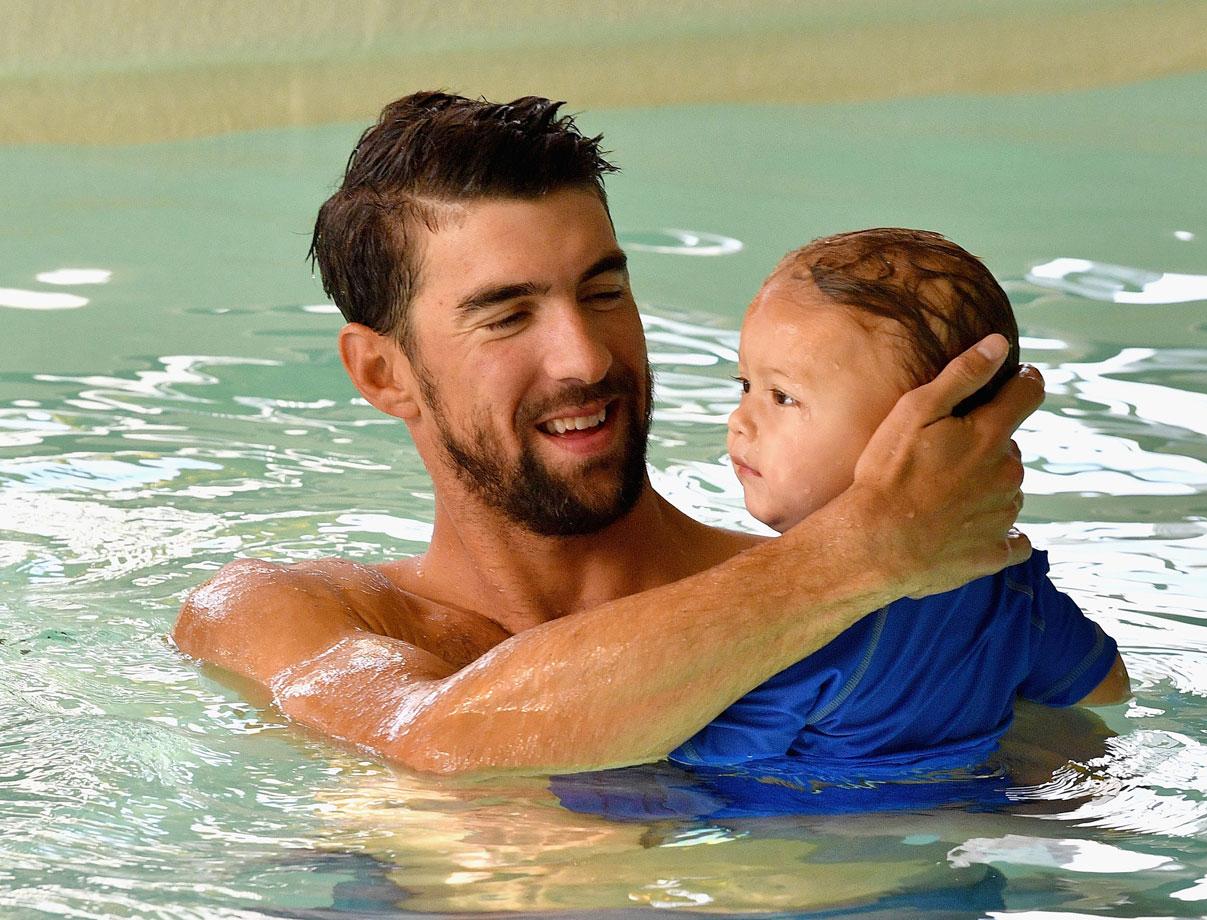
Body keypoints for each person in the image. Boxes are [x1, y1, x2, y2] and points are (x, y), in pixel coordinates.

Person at [171, 91, 1044, 775]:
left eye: (602, 292)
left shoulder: (884, 611)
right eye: (509, 315)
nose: (585, 357)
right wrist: (859, 554)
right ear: (382, 373)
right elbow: (430, 741)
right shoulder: (285, 613)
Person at [669, 229, 1129, 771]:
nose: (740, 421)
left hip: (802, 842)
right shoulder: (1006, 583)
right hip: (976, 812)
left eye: (784, 397)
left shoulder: (796, 630)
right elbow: (1107, 686)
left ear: (921, 441)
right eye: (744, 384)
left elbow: (665, 765)